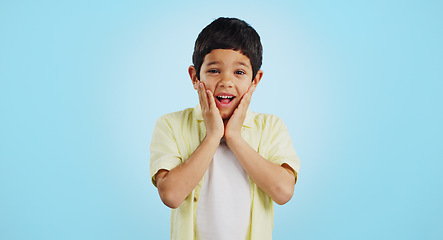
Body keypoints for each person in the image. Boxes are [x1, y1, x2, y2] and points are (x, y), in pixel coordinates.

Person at [150, 17, 300, 240]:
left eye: (239, 72)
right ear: (194, 76)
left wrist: (234, 137)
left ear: (255, 80)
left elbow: (283, 192)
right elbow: (171, 195)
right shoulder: (171, 124)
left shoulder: (272, 127)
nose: (226, 81)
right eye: (214, 71)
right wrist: (213, 136)